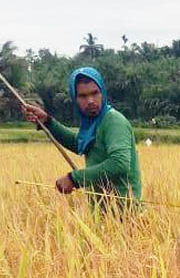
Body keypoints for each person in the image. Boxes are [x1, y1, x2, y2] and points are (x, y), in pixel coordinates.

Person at [22, 67, 142, 206]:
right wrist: (47, 122)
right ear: (75, 98)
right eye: (83, 96)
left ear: (102, 93)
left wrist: (74, 179)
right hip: (103, 212)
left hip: (124, 213)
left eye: (95, 93)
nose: (91, 100)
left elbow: (119, 164)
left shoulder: (114, 121)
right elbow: (80, 144)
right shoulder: (94, 123)